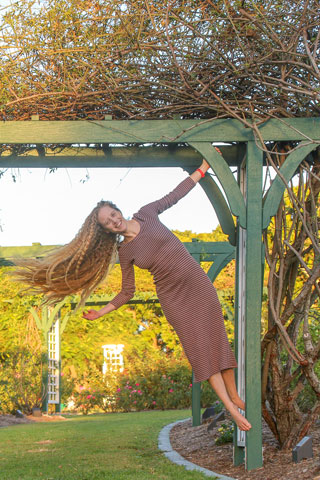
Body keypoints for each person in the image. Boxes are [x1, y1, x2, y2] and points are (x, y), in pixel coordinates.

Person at [14, 159, 251, 431]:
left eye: (113, 214)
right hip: (174, 300)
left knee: (217, 339)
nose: (114, 221)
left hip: (199, 285)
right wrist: (102, 311)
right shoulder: (124, 252)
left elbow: (174, 195)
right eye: (107, 222)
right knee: (200, 350)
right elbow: (128, 291)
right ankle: (231, 408)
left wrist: (201, 169)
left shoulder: (147, 214)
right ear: (105, 230)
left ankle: (234, 395)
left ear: (118, 209)